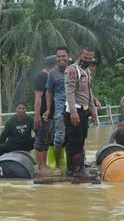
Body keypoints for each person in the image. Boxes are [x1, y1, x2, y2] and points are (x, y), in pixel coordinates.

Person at [64, 44, 98, 179]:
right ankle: (78, 170)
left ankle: (73, 169)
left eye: (90, 58)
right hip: (75, 111)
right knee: (75, 142)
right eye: (85, 57)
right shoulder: (73, 70)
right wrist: (73, 112)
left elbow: (89, 93)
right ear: (80, 55)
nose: (88, 60)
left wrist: (93, 110)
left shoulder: (87, 72)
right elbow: (70, 92)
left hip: (84, 111)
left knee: (80, 140)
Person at [45, 46, 70, 176]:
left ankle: (75, 165)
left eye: (63, 56)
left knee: (76, 137)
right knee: (58, 138)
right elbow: (48, 92)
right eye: (58, 56)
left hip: (75, 110)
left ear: (68, 56)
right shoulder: (52, 74)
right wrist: (48, 110)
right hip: (60, 110)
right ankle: (58, 166)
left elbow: (84, 89)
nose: (61, 58)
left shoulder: (74, 70)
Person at [33, 55, 57, 175]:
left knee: (47, 140)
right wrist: (37, 115)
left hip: (51, 114)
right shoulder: (41, 77)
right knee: (40, 140)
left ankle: (45, 165)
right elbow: (38, 97)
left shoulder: (50, 76)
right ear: (53, 65)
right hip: (43, 114)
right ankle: (41, 167)